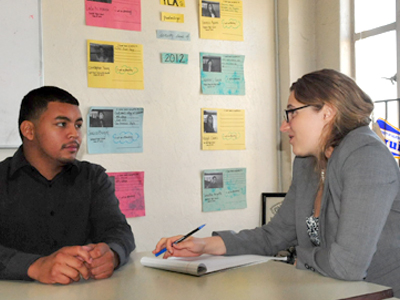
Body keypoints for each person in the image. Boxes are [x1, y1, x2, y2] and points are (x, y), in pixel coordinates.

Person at [153, 69, 400, 296]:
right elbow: (274, 235)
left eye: (292, 112)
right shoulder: (307, 163)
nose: (284, 125)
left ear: (327, 112)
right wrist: (203, 245)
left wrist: (297, 257)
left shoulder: (367, 157)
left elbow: (348, 266)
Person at [0, 86, 135, 284]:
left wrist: (112, 254)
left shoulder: (93, 177)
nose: (75, 134)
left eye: (78, 125)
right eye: (62, 124)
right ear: (29, 130)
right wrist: (35, 266)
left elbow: (118, 230)